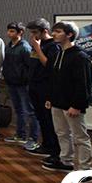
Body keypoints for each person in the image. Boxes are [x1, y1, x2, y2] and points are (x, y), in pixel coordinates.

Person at [43, 21, 92, 179]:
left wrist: (77, 105)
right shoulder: (58, 54)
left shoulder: (80, 57)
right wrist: (50, 97)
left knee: (80, 137)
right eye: (54, 31)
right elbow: (54, 79)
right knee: (62, 133)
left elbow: (83, 83)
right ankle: (65, 161)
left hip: (72, 105)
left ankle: (85, 169)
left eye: (58, 31)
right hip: (57, 103)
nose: (54, 34)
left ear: (69, 34)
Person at [25, 18, 62, 158]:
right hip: (34, 85)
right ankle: (46, 145)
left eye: (35, 32)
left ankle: (54, 149)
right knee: (41, 117)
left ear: (45, 31)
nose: (33, 36)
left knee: (48, 119)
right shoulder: (37, 44)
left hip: (45, 87)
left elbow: (49, 66)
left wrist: (38, 48)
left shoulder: (53, 46)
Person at [2, 22, 38, 146]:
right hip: (12, 82)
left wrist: (25, 80)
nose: (9, 33)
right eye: (9, 31)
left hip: (23, 84)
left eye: (12, 31)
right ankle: (20, 135)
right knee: (19, 110)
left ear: (20, 32)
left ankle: (33, 138)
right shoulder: (9, 46)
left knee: (30, 111)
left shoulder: (25, 47)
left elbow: (30, 67)